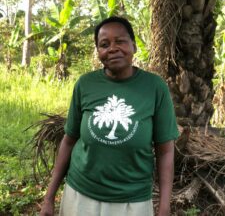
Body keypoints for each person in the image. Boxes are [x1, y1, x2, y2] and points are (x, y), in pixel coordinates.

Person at [40, 16, 179, 216]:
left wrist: (165, 206)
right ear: (98, 52)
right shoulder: (85, 84)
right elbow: (69, 141)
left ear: (134, 45)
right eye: (104, 44)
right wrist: (49, 197)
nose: (112, 48)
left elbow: (165, 151)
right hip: (80, 196)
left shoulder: (155, 88)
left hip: (132, 202)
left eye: (120, 41)